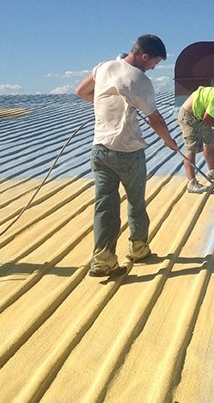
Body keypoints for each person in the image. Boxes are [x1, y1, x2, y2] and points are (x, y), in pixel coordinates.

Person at [76, 34, 178, 277]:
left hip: (100, 150)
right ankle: (139, 249)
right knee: (136, 203)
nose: (153, 67)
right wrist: (170, 142)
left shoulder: (103, 67)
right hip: (128, 151)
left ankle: (102, 260)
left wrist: (106, 106)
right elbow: (156, 119)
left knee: (105, 206)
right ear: (144, 57)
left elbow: (81, 91)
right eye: (154, 62)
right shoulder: (140, 80)